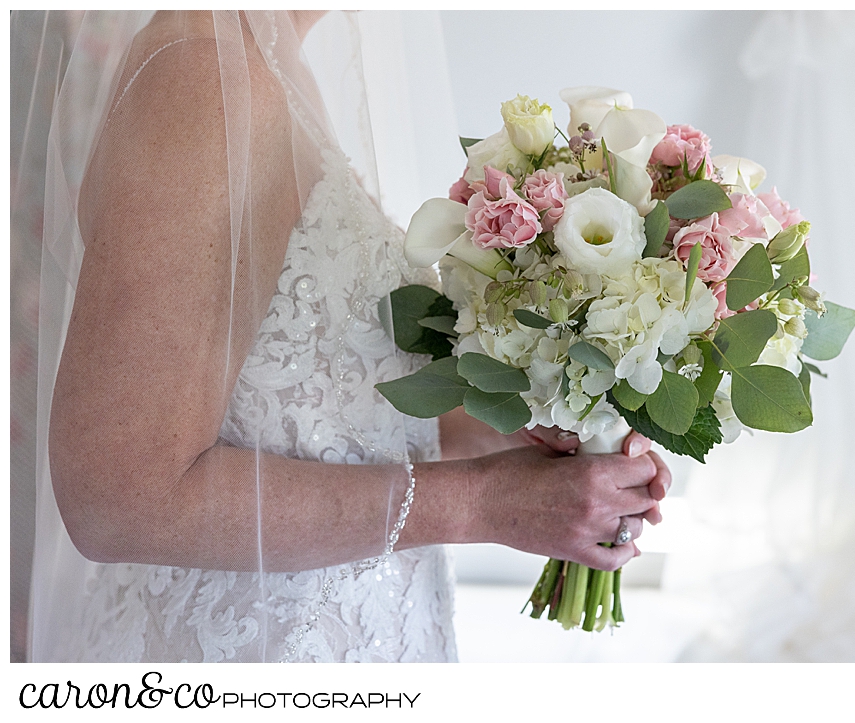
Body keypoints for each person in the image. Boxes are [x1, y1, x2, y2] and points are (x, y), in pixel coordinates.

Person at [29, 10, 670, 662]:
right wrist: (482, 502)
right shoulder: (203, 80)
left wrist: (524, 430)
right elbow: (119, 501)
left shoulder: (276, 64)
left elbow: (320, 407)